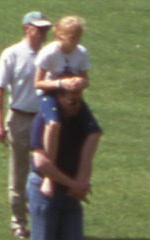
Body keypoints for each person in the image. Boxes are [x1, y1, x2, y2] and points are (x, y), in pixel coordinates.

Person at [0, 12, 55, 239]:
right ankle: (18, 222)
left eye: (46, 30)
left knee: (44, 170)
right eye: (39, 29)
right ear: (27, 29)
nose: (43, 34)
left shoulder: (50, 56)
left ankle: (42, 218)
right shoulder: (12, 54)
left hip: (45, 120)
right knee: (19, 173)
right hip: (19, 118)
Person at [28, 85, 102, 240]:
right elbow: (41, 163)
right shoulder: (42, 120)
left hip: (70, 194)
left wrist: (81, 183)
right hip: (45, 193)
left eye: (80, 101)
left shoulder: (80, 123)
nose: (77, 106)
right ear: (58, 98)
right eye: (71, 101)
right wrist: (73, 184)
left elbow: (89, 150)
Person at [35, 16, 88, 96]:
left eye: (78, 37)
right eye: (72, 38)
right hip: (49, 93)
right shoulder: (49, 52)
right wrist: (60, 83)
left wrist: (81, 82)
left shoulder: (81, 52)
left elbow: (86, 81)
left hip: (70, 94)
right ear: (60, 36)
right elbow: (38, 83)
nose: (77, 42)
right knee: (51, 108)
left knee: (84, 109)